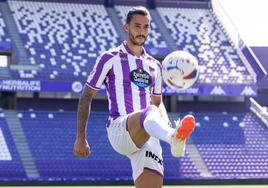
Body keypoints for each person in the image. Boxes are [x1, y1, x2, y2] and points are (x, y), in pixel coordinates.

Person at [73, 6, 195, 188]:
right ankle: (173, 138)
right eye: (137, 26)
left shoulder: (155, 66)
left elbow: (158, 103)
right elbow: (86, 96)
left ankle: (172, 135)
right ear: (126, 27)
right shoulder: (110, 58)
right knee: (150, 111)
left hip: (147, 133)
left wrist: (165, 123)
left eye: (146, 27)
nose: (142, 31)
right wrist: (80, 137)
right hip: (120, 129)